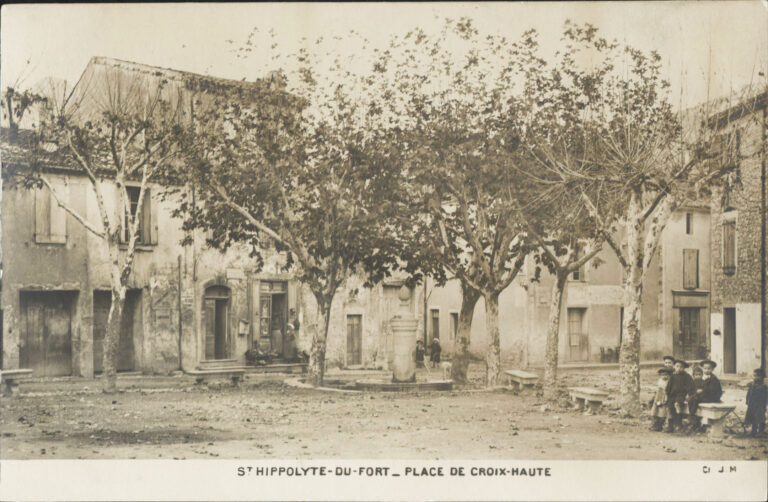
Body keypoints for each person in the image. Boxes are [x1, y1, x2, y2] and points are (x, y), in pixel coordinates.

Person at [688, 359, 723, 433]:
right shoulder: (701, 378)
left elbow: (713, 391)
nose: (706, 370)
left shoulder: (714, 379)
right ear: (702, 368)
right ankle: (695, 421)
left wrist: (702, 391)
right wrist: (696, 391)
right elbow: (694, 387)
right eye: (705, 368)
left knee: (694, 400)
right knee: (692, 399)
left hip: (711, 398)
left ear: (712, 369)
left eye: (709, 368)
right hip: (703, 397)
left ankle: (694, 420)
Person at [666, 359, 694, 433]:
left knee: (677, 405)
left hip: (682, 395)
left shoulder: (687, 376)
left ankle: (678, 424)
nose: (679, 368)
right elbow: (669, 387)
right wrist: (667, 394)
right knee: (670, 405)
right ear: (674, 366)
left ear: (684, 368)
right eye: (677, 366)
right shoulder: (673, 376)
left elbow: (691, 387)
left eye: (681, 367)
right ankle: (671, 425)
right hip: (673, 395)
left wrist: (688, 394)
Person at [745, 368, 767, 437]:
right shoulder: (752, 385)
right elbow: (749, 393)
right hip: (752, 404)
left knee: (760, 418)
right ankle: (753, 431)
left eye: (756, 376)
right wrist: (747, 400)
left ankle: (761, 431)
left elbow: (766, 396)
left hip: (760, 405)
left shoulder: (764, 387)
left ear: (761, 377)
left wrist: (765, 404)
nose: (754, 377)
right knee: (753, 417)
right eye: (754, 376)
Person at [649, 367, 672, 432]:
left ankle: (663, 425)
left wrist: (665, 398)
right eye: (663, 375)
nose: (664, 377)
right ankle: (656, 425)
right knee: (656, 411)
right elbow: (658, 391)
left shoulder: (669, 382)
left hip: (665, 398)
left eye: (666, 375)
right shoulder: (660, 382)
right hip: (658, 397)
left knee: (663, 412)